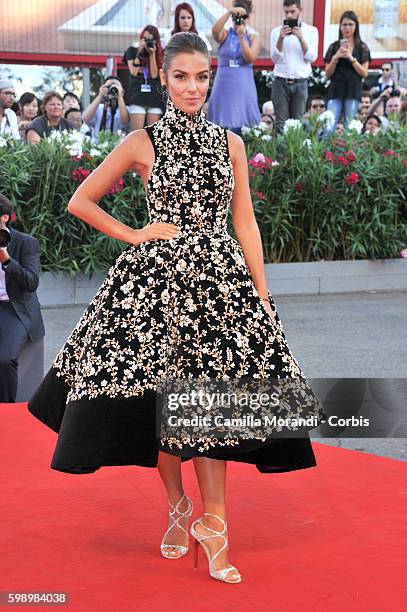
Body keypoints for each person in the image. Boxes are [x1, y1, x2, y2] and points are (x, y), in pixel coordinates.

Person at [27, 32, 325, 585]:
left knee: (208, 408)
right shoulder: (144, 141)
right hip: (155, 287)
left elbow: (246, 222)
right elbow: (81, 200)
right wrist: (136, 233)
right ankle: (177, 504)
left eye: (202, 76)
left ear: (213, 78)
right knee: (160, 410)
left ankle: (216, 525)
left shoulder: (230, 143)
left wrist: (261, 293)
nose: (193, 86)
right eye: (182, 76)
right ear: (164, 79)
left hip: (220, 285)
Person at [0, 194, 45, 403]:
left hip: (15, 308)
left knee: (5, 359)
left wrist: (7, 260)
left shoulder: (26, 243)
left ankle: (6, 410)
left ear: (5, 218)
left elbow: (31, 282)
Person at [207, 0, 261, 135]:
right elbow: (215, 31)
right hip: (223, 84)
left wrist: (242, 38)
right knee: (219, 124)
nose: (238, 20)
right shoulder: (225, 34)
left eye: (242, 18)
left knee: (243, 125)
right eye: (235, 17)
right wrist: (229, 12)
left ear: (246, 18)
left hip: (243, 84)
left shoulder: (253, 37)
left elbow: (250, 57)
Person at [270, 0, 319, 134]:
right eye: (287, 12)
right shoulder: (276, 32)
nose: (289, 15)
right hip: (280, 81)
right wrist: (280, 39)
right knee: (281, 123)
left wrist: (301, 39)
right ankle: (279, 155)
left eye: (293, 11)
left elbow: (311, 57)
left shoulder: (311, 31)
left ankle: (295, 155)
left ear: (300, 10)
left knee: (297, 122)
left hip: (301, 82)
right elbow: (275, 59)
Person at [324, 11, 371, 132]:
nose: (347, 28)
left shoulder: (362, 47)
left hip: (353, 91)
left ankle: (348, 151)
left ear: (356, 27)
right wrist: (336, 58)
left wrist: (351, 58)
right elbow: (327, 74)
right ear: (340, 26)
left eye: (351, 24)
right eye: (344, 24)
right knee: (329, 126)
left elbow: (364, 73)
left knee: (350, 128)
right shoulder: (333, 47)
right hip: (335, 91)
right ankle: (325, 151)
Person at [123, 25, 165, 132]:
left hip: (154, 99)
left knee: (152, 136)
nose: (147, 42)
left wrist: (152, 55)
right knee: (136, 134)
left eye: (151, 39)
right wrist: (139, 53)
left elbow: (155, 75)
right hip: (137, 98)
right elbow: (133, 72)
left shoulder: (160, 54)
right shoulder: (132, 51)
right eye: (145, 39)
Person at [82, 76, 130, 143]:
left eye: (116, 86)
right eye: (109, 86)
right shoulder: (99, 108)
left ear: (123, 92)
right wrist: (100, 96)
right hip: (97, 146)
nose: (112, 88)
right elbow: (85, 118)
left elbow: (125, 121)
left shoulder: (125, 109)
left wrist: (119, 96)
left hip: (118, 147)